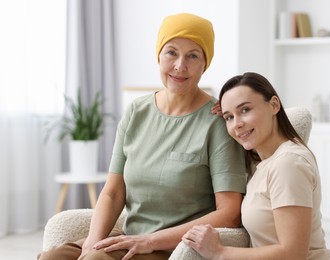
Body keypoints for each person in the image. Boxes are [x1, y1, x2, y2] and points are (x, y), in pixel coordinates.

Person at [38, 13, 247, 260]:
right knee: (53, 257)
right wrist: (92, 243)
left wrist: (151, 240)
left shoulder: (217, 122)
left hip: (173, 248)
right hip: (129, 237)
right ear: (158, 55)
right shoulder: (137, 111)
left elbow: (230, 212)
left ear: (205, 63)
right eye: (171, 52)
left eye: (193, 55)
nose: (180, 65)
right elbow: (113, 192)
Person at [182, 72, 330, 259]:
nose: (236, 124)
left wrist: (219, 252)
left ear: (274, 105)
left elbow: (293, 253)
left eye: (245, 110)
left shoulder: (288, 163)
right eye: (229, 117)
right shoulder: (262, 160)